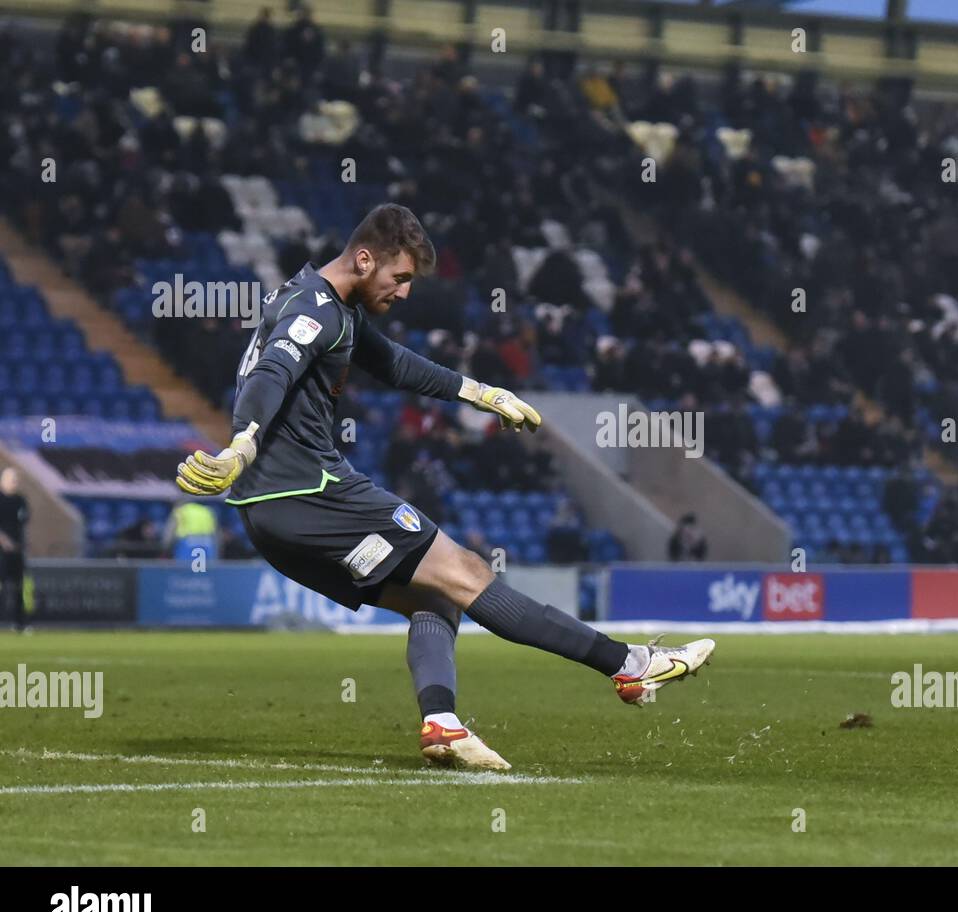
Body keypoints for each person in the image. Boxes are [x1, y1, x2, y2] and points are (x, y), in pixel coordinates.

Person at [176, 204, 713, 769]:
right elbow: (272, 375)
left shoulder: (324, 303)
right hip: (312, 490)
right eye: (400, 277)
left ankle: (444, 726)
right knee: (469, 574)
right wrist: (243, 441)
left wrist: (482, 394)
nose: (405, 293)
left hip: (270, 517)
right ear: (364, 259)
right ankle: (628, 665)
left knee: (433, 598)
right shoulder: (316, 311)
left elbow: (395, 364)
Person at [0, 468, 30, 632]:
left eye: (16, 479)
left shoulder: (20, 500)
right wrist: (4, 541)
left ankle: (20, 623)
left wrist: (19, 544)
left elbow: (23, 523)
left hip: (17, 552)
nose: (14, 482)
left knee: (19, 587)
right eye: (11, 479)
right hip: (1, 552)